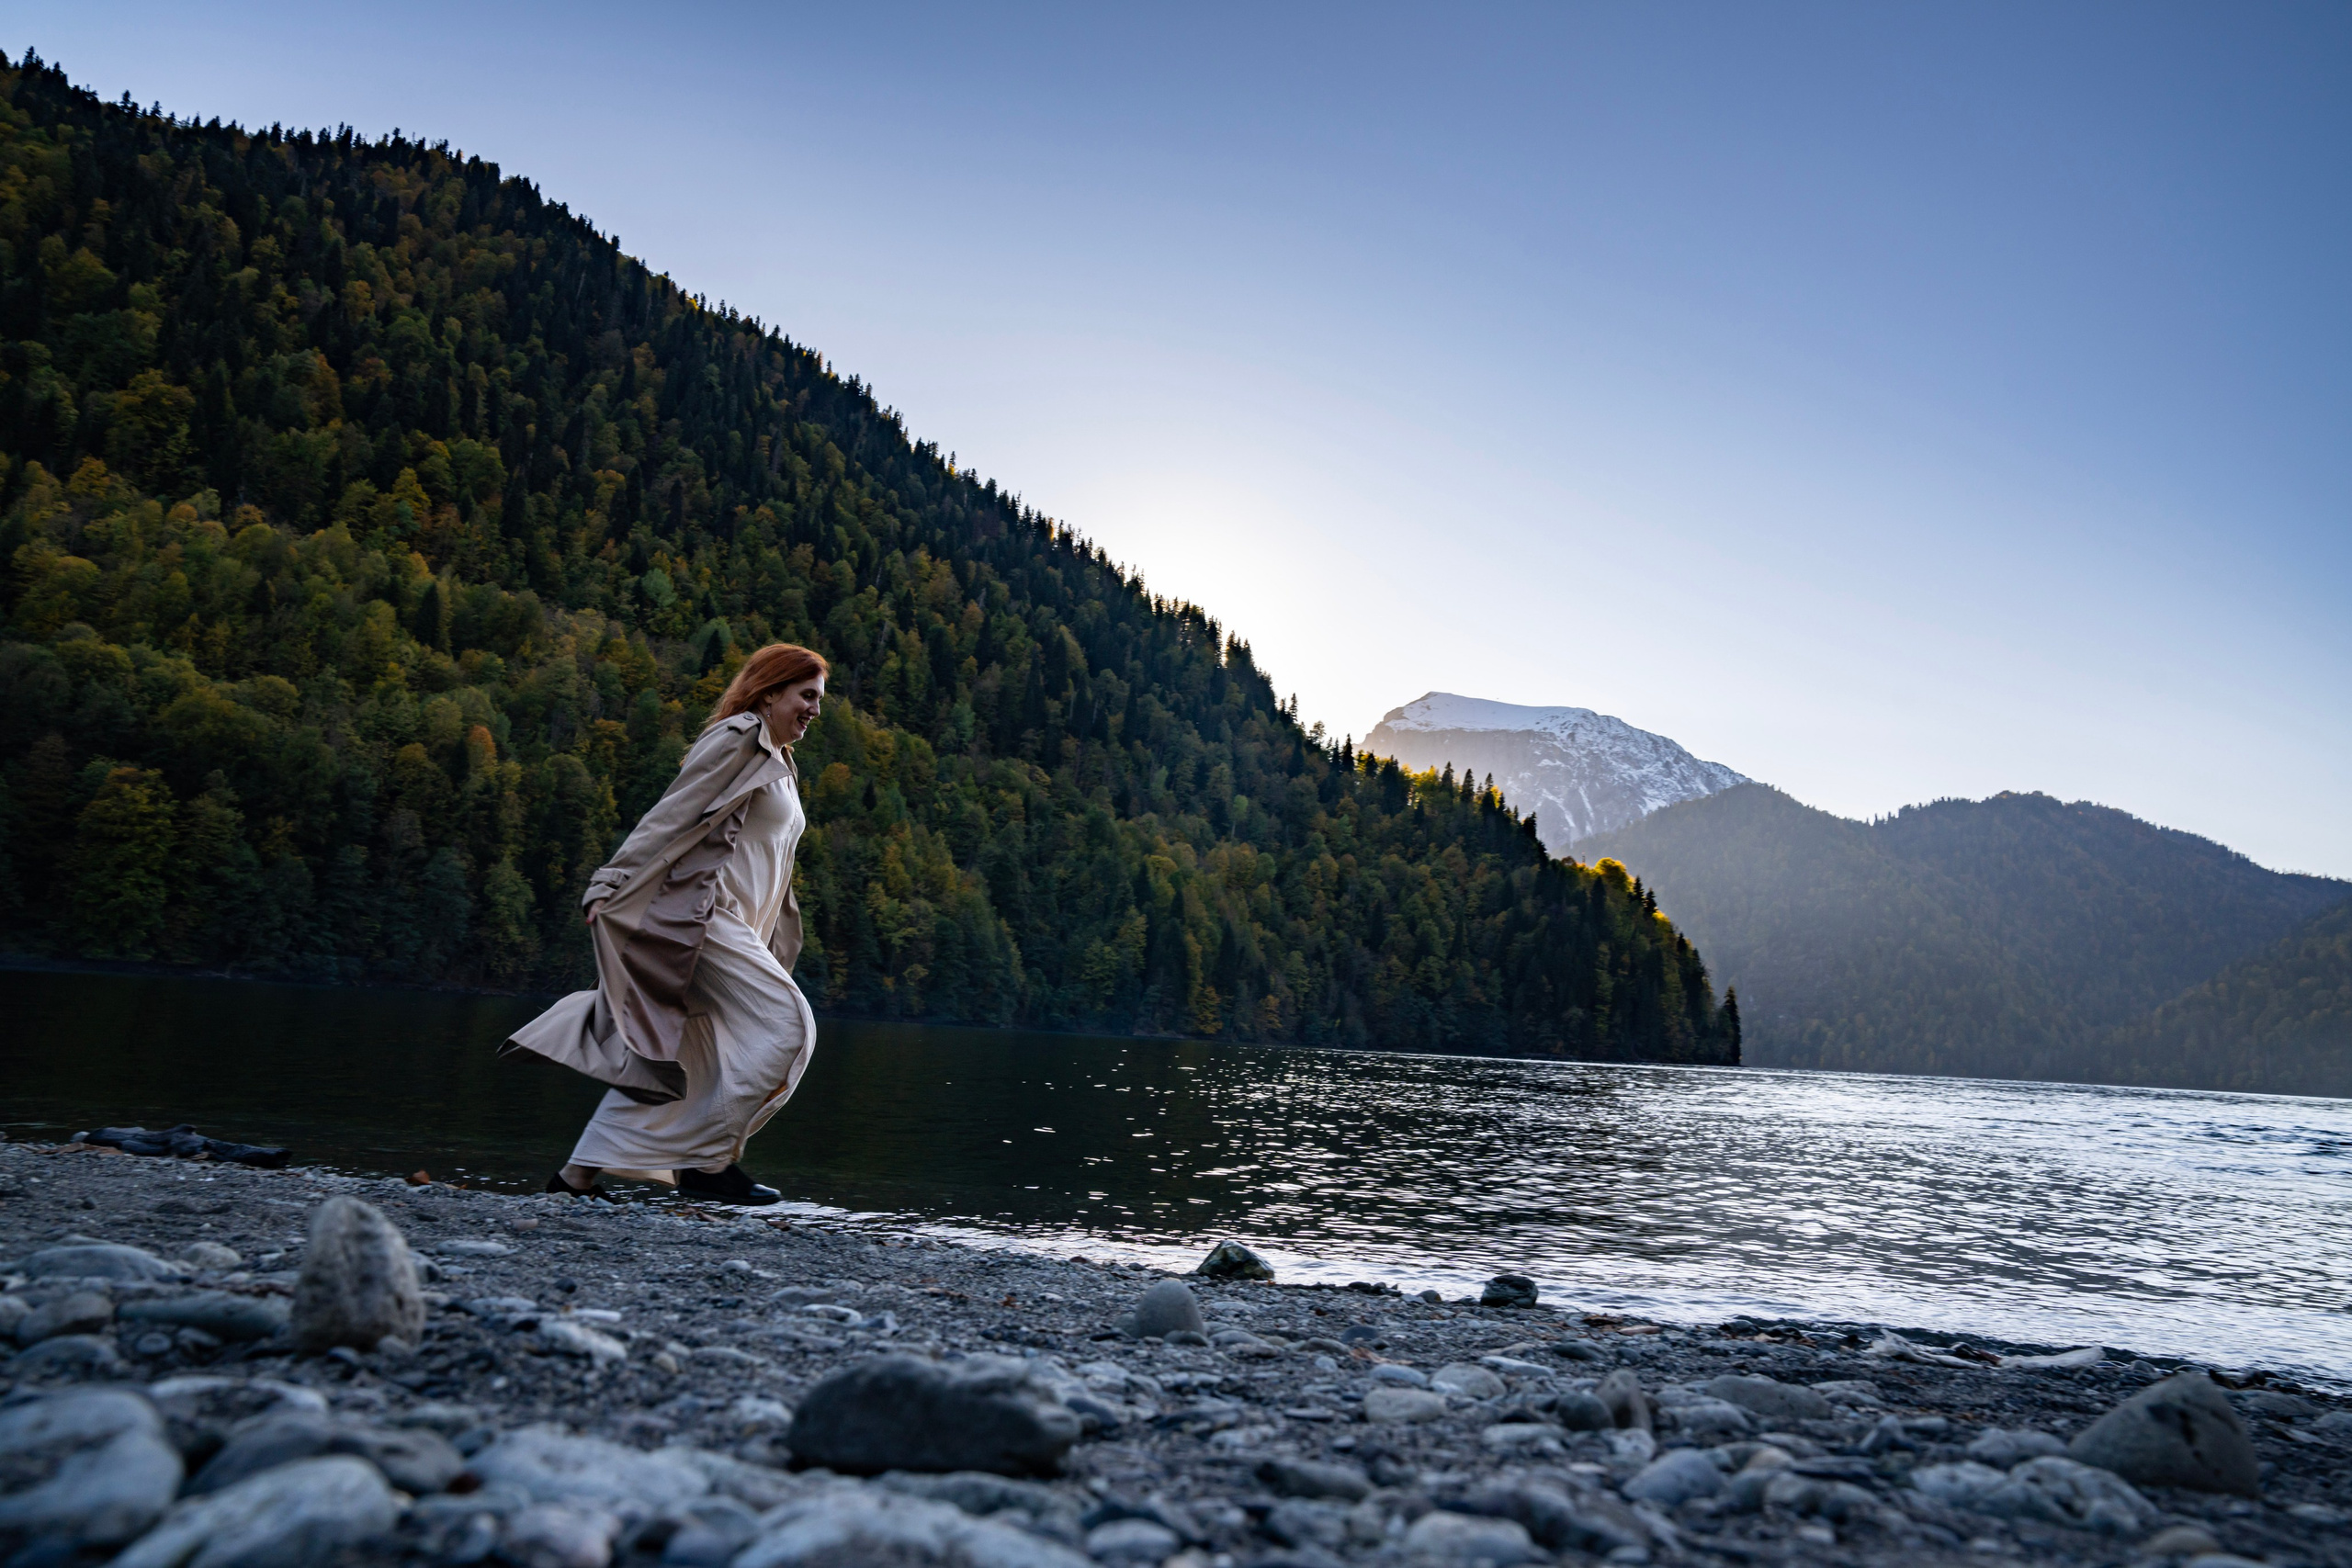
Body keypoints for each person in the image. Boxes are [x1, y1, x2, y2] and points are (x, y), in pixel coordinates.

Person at [504, 644, 829, 1204]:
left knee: (687, 1059)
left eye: (818, 701)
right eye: (807, 696)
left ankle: (573, 1180)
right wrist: (612, 880)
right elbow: (671, 814)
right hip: (704, 918)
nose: (814, 711)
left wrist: (774, 937)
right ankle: (705, 1166)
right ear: (771, 690)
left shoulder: (781, 762)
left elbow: (769, 858)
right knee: (788, 1027)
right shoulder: (738, 740)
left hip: (741, 928)